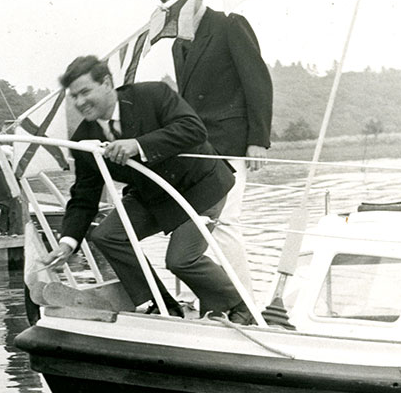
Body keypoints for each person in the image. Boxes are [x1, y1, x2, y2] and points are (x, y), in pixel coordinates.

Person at [41, 55, 252, 322]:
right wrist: (68, 242)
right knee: (107, 235)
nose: (80, 102)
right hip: (153, 195)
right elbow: (84, 196)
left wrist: (138, 144)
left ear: (107, 83)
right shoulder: (84, 139)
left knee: (180, 260)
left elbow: (193, 129)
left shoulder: (153, 95)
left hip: (200, 187)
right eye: (74, 96)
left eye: (85, 92)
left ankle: (239, 306)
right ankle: (163, 305)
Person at [150, 0, 273, 299]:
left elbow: (258, 83)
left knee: (226, 221)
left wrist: (257, 141)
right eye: (166, 2)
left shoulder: (229, 25)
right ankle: (214, 299)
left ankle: (245, 302)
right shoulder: (179, 45)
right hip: (199, 148)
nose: (171, 7)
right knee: (202, 223)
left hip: (231, 145)